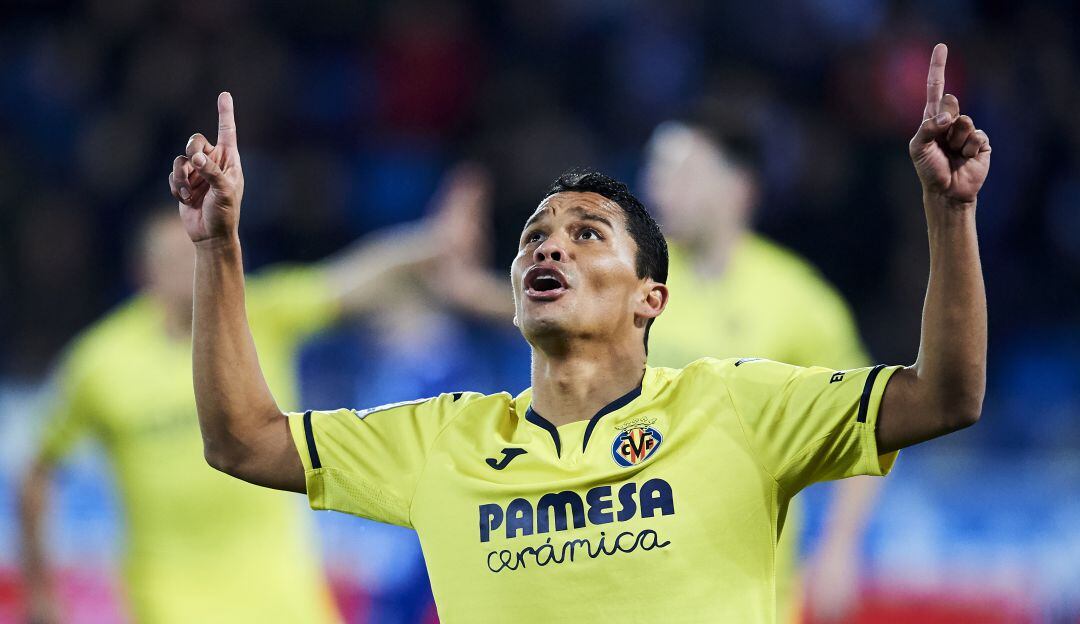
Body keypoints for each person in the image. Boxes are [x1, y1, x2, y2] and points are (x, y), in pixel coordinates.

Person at [168, 44, 989, 622]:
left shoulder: (738, 404)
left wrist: (949, 213)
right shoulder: (446, 441)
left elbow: (945, 397)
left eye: (587, 233)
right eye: (533, 237)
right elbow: (243, 441)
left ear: (651, 299)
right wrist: (217, 249)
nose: (549, 246)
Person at [17, 185, 470, 623]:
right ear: (144, 272)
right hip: (172, 599)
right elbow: (38, 472)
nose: (189, 268)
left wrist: (433, 242)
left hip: (282, 591)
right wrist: (41, 591)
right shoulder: (101, 362)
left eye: (195, 253)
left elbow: (352, 279)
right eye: (173, 259)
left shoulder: (258, 313)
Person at [642, 107, 881, 622]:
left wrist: (840, 546)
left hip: (751, 596)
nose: (660, 188)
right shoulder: (634, 283)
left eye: (684, 173)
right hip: (639, 583)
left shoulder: (795, 298)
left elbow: (872, 417)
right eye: (657, 172)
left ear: (738, 188)